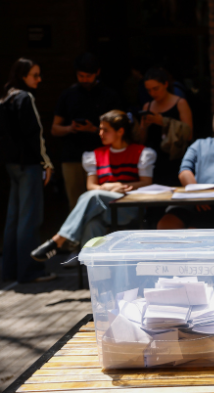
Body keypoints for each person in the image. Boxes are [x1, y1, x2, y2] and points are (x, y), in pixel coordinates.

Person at [31, 111, 156, 261]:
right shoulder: (95, 155)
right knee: (92, 223)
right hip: (105, 208)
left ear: (120, 131)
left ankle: (59, 240)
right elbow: (91, 186)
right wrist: (109, 188)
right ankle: (96, 272)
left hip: (129, 209)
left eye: (105, 130)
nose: (100, 133)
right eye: (100, 129)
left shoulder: (141, 153)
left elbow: (146, 182)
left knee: (95, 197)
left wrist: (120, 185)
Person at [0, 58, 55, 283]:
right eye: (35, 75)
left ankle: (9, 271)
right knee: (29, 220)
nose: (39, 79)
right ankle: (30, 271)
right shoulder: (24, 97)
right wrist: (46, 163)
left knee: (14, 219)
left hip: (11, 165)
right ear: (23, 76)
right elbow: (35, 134)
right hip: (28, 165)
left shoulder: (5, 97)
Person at [51, 53, 122, 209]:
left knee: (103, 202)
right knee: (75, 204)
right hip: (73, 155)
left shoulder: (109, 95)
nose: (84, 79)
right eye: (80, 76)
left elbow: (120, 129)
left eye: (88, 76)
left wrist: (95, 130)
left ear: (97, 72)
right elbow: (55, 129)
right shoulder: (68, 95)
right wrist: (70, 128)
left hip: (102, 155)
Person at [136, 67, 192, 186]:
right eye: (149, 90)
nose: (152, 93)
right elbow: (141, 140)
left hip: (175, 158)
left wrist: (163, 121)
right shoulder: (147, 106)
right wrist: (144, 126)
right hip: (154, 159)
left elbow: (188, 134)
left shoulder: (180, 103)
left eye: (156, 89)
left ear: (165, 84)